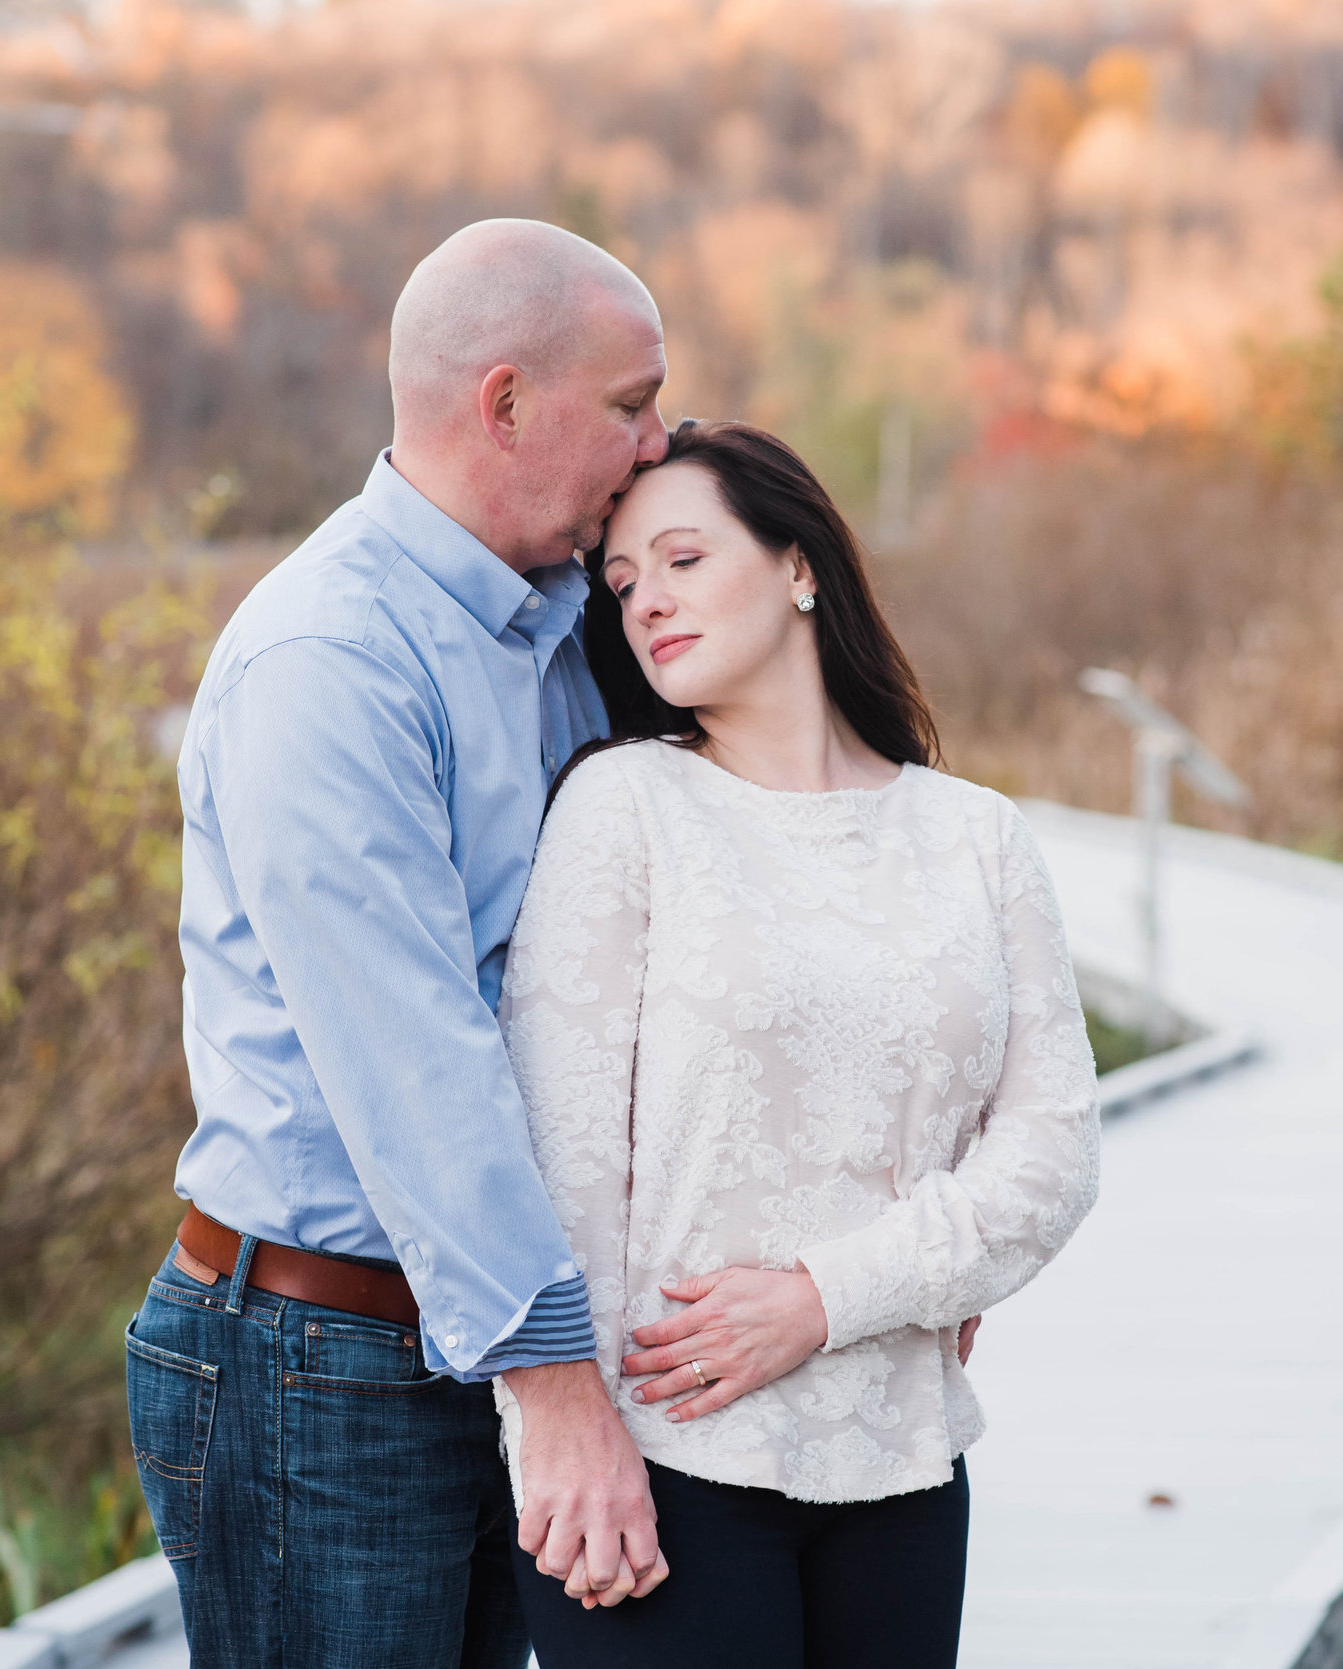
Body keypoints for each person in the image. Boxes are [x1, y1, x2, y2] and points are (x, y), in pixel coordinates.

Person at [125, 219, 677, 1669]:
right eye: (631, 404)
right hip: (322, 1364)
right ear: (505, 402)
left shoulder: (570, 627)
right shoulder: (333, 661)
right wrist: (558, 1390)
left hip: (477, 1338)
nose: (658, 438)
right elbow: (418, 1066)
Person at [497, 419, 1104, 1668]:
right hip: (664, 1460)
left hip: (903, 1454)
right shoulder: (626, 807)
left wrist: (830, 1300)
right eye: (620, 585)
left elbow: (1050, 1153)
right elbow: (562, 1163)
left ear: (797, 566)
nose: (644, 604)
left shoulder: (976, 838)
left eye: (679, 560)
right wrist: (564, 1438)